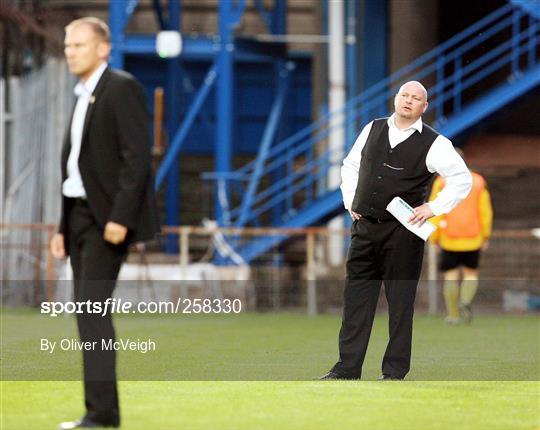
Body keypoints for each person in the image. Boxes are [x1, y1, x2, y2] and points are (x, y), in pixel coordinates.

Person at [320, 81, 472, 381]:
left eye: (416, 98)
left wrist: (433, 208)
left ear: (424, 107)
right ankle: (346, 368)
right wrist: (351, 200)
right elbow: (350, 166)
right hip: (364, 229)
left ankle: (394, 371)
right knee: (356, 300)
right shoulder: (372, 128)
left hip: (404, 233)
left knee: (400, 304)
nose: (408, 101)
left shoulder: (435, 143)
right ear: (396, 98)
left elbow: (461, 179)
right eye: (405, 95)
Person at [49, 17, 159, 429]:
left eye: (78, 45)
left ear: (103, 49)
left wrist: (120, 217)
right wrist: (62, 227)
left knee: (92, 311)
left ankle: (102, 414)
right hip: (77, 216)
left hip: (104, 220)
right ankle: (99, 411)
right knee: (85, 311)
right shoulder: (82, 95)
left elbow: (137, 157)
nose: (70, 52)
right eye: (67, 45)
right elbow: (74, 168)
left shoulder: (121, 88)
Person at [428, 151, 493, 325]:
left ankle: (453, 315)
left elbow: (435, 210)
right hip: (473, 238)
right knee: (471, 274)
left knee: (450, 276)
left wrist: (434, 237)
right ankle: (465, 300)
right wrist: (485, 235)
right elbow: (485, 212)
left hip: (449, 238)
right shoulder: (478, 182)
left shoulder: (441, 183)